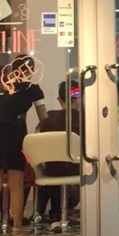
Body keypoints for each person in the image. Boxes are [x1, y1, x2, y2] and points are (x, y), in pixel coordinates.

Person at [0, 56, 46, 236]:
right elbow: (43, 118)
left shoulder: (4, 89)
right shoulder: (33, 88)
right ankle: (17, 228)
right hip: (15, 133)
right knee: (16, 183)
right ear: (31, 70)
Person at [34, 79, 84, 228]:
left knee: (53, 167)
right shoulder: (87, 122)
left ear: (59, 100)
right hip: (78, 169)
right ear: (80, 98)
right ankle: (61, 211)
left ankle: (51, 213)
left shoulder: (47, 123)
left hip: (53, 170)